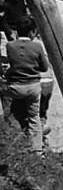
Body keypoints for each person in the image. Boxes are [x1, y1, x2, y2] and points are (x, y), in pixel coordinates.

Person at [0, 18, 48, 153]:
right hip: (33, 87)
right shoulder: (37, 46)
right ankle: (37, 150)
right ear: (32, 32)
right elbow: (44, 68)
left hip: (15, 88)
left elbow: (13, 66)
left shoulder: (10, 46)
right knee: (34, 117)